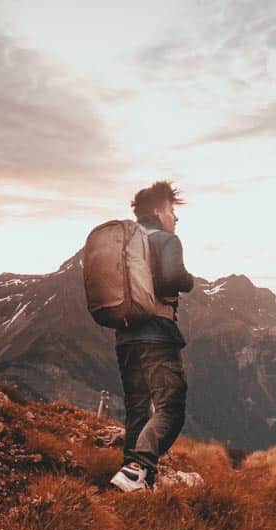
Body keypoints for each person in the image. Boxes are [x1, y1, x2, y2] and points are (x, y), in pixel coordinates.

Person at [109, 180, 194, 492]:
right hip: (157, 335)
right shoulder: (166, 240)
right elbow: (174, 277)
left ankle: (135, 479)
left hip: (125, 337)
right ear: (160, 210)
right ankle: (138, 469)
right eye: (173, 212)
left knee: (137, 408)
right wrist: (189, 281)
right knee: (171, 407)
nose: (176, 219)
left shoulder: (125, 244)